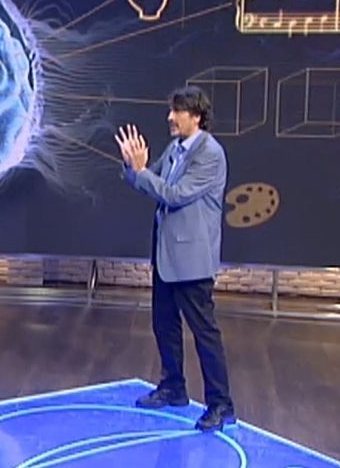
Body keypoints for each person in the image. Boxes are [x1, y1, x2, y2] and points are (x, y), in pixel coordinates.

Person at [114, 85, 237, 432]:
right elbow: (147, 181)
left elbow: (175, 194)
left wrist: (142, 172)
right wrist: (131, 167)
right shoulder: (175, 149)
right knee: (164, 325)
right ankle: (173, 387)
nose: (170, 117)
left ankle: (221, 404)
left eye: (177, 111)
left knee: (204, 333)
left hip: (192, 260)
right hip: (166, 256)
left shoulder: (209, 154)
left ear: (196, 116)